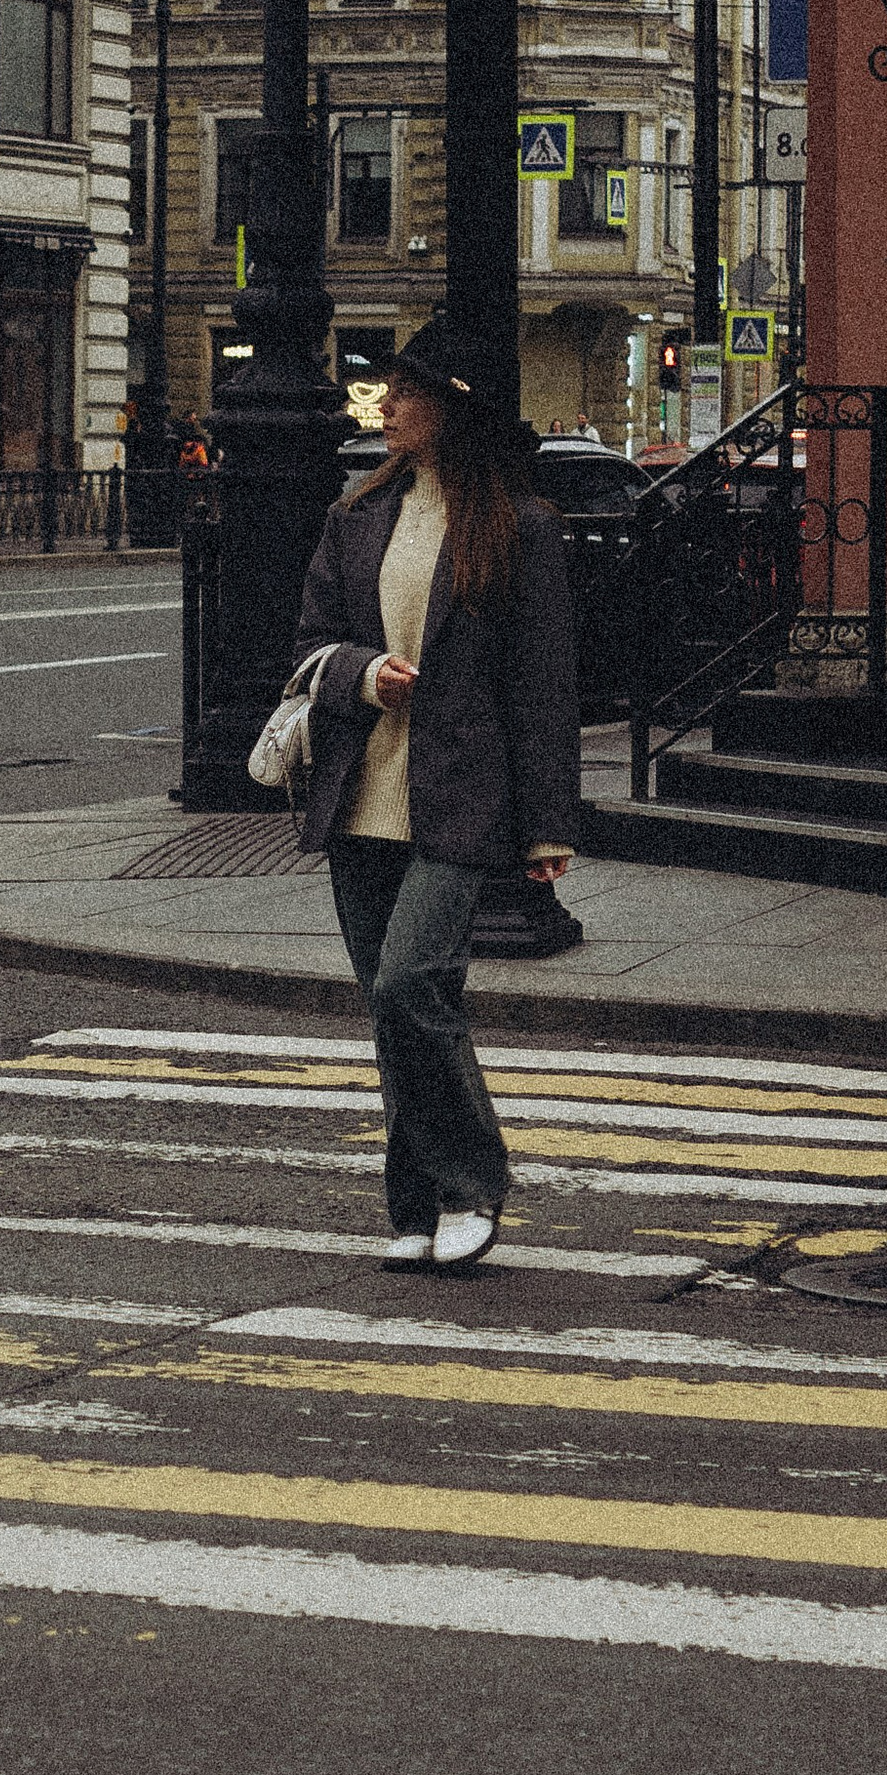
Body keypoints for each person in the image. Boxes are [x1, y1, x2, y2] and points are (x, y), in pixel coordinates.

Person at [290, 312, 580, 1274]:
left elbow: (543, 685)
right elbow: (307, 653)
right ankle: (413, 1204)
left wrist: (546, 824)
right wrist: (364, 674)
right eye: (388, 389)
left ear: (455, 410)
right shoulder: (355, 515)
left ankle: (471, 1184)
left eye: (408, 391)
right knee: (390, 1004)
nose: (387, 403)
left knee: (412, 983)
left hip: (463, 796)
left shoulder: (520, 528)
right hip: (360, 789)